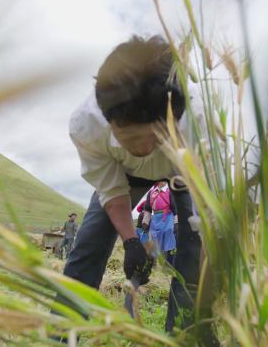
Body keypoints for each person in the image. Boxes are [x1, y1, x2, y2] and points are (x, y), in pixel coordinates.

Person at [63, 35, 216, 344]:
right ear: (108, 120)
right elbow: (111, 189)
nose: (145, 148)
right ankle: (62, 331)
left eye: (155, 137)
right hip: (123, 176)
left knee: (193, 249)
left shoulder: (197, 124)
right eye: (132, 139)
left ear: (175, 119)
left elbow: (204, 202)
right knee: (88, 244)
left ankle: (186, 333)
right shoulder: (87, 126)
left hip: (181, 174)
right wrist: (131, 241)